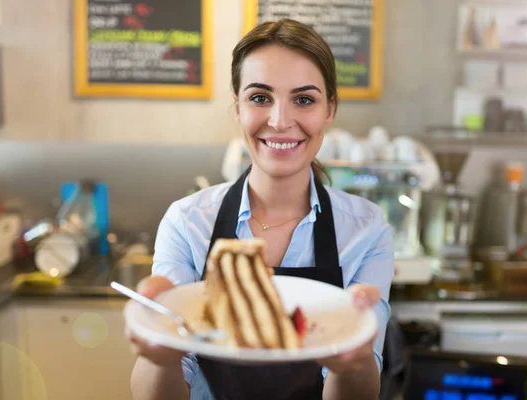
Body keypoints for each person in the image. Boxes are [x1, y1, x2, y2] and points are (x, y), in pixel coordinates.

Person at [127, 18, 394, 400]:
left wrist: (350, 362)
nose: (281, 121)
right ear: (237, 107)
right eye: (259, 98)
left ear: (329, 109)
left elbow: (360, 389)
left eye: (304, 99)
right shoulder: (187, 222)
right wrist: (160, 357)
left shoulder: (366, 231)